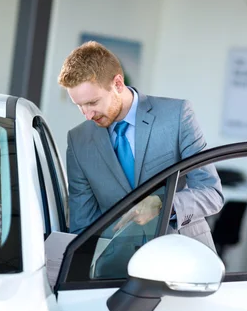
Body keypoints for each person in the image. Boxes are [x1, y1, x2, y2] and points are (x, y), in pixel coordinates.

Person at [58, 41, 224, 249]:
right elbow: (82, 226)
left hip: (185, 257)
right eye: (79, 106)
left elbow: (211, 193)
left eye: (92, 103)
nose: (87, 114)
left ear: (118, 84)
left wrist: (164, 205)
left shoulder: (178, 115)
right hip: (116, 268)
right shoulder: (78, 140)